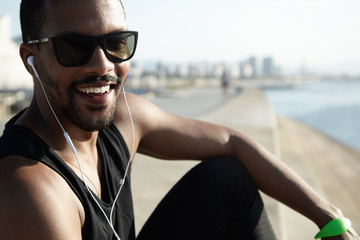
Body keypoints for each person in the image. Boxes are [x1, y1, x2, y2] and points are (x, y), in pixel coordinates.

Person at [0, 0, 358, 239]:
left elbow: (231, 143)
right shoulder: (30, 189)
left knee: (227, 178)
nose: (102, 64)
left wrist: (328, 216)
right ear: (31, 57)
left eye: (116, 43)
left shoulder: (124, 119)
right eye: (74, 47)